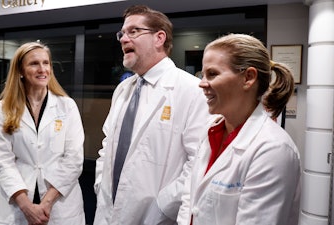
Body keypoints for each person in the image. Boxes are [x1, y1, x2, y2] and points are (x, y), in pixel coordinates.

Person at [93, 5, 212, 225]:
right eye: (122, 33)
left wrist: (163, 206)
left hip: (157, 217)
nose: (123, 39)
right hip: (109, 209)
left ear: (159, 38)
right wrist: (101, 183)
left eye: (134, 31)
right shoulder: (123, 90)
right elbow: (108, 144)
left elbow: (200, 163)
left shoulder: (192, 90)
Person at [177, 33, 301, 225]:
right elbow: (190, 199)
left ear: (248, 78)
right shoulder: (212, 130)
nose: (201, 83)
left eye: (212, 74)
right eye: (203, 75)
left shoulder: (273, 149)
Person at [0, 42, 86, 225]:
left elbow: (73, 159)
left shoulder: (67, 106)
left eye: (46, 63)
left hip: (59, 202)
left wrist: (46, 203)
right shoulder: (3, 109)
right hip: (18, 200)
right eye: (34, 64)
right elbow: (1, 161)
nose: (42, 69)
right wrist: (26, 206)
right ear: (20, 71)